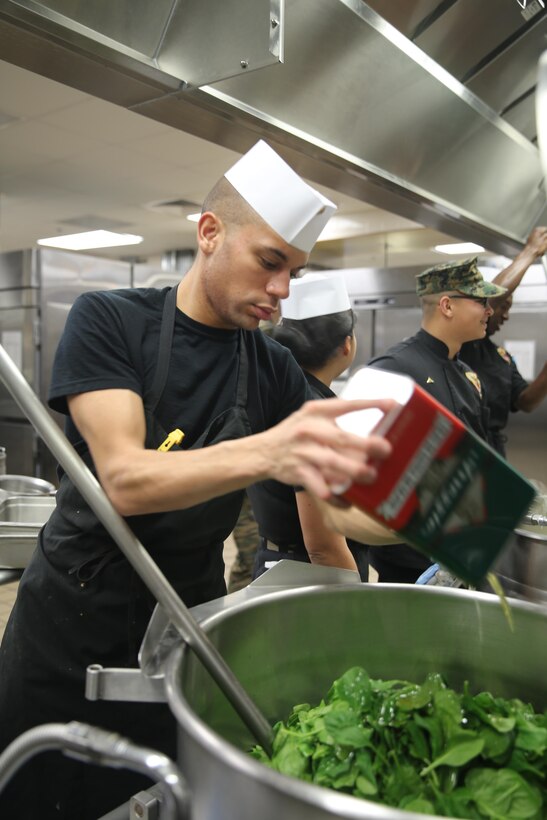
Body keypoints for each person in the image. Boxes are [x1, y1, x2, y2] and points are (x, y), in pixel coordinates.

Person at [0, 140, 394, 819]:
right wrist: (270, 451)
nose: (281, 291)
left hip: (184, 624)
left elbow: (326, 522)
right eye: (269, 262)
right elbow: (124, 478)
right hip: (72, 618)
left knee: (158, 798)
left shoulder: (270, 369)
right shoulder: (109, 321)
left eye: (293, 272)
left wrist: (375, 584)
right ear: (209, 232)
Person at [365, 257, 507, 583]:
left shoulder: (467, 374)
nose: (488, 311)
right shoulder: (395, 368)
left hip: (463, 544)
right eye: (480, 301)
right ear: (447, 305)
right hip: (408, 554)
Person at [249, 273, 369, 581]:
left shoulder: (274, 395)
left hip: (275, 561)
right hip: (308, 573)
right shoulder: (313, 416)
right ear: (347, 344)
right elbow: (323, 548)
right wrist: (359, 607)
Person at [459, 226, 547, 457]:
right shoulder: (460, 344)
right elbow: (492, 299)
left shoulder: (500, 356)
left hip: (494, 452)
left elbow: (524, 401)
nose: (506, 315)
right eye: (503, 308)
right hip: (464, 448)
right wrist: (530, 252)